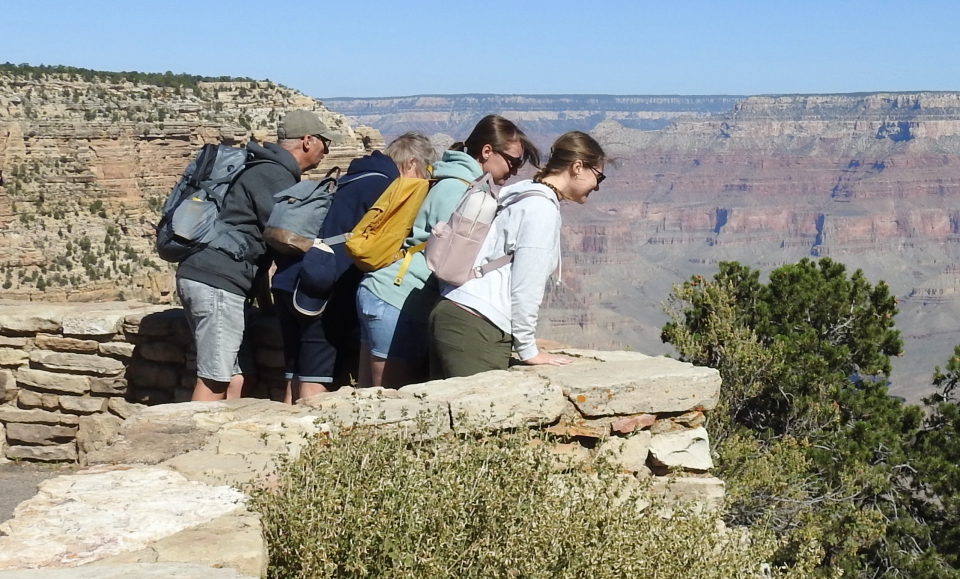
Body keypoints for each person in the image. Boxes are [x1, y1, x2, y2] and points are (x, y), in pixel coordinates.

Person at [356, 115, 540, 387]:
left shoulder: (448, 177)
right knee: (390, 402)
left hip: (382, 291)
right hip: (400, 298)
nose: (514, 171)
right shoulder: (461, 190)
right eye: (512, 161)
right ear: (487, 151)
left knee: (367, 395)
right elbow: (454, 262)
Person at [177, 110, 337, 401]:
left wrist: (266, 305)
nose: (327, 151)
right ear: (307, 140)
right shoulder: (273, 175)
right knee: (216, 378)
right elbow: (285, 234)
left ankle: (226, 441)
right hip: (218, 282)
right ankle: (194, 438)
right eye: (325, 143)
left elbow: (261, 249)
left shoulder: (268, 169)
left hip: (211, 277)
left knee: (238, 377)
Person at [271, 132, 438, 403]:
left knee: (295, 375)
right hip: (322, 290)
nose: (424, 180)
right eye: (424, 171)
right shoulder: (388, 188)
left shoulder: (354, 177)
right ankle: (307, 440)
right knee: (316, 380)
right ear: (410, 164)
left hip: (292, 280)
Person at [428, 131, 607, 378]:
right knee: (483, 414)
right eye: (598, 176)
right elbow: (526, 285)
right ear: (577, 167)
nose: (597, 186)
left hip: (454, 311)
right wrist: (528, 349)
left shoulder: (522, 193)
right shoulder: (541, 209)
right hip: (478, 324)